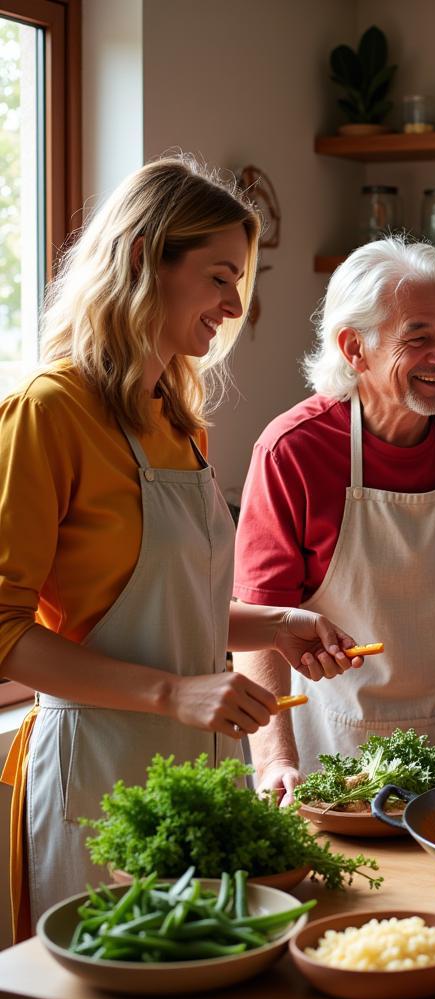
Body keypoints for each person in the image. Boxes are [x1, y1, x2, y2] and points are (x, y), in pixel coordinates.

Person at [0, 157, 364, 938]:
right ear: (143, 261)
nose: (237, 305)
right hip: (94, 774)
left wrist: (272, 624)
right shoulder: (48, 412)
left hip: (197, 773)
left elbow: (168, 606)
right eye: (220, 278)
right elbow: (3, 633)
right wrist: (174, 694)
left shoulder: (178, 419)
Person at [232, 237, 435, 801]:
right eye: (419, 339)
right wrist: (275, 762)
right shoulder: (293, 449)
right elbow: (259, 624)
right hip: (334, 756)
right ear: (354, 348)